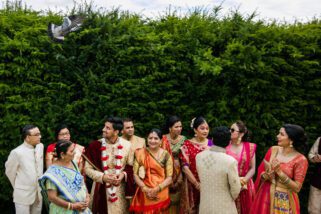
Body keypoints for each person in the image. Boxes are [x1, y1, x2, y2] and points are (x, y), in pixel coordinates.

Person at [251, 124, 309, 214]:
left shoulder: (301, 160)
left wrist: (280, 172)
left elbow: (297, 188)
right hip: (265, 196)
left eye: (281, 134)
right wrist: (266, 175)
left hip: (284, 201)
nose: (277, 136)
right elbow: (261, 172)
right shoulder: (273, 150)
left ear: (291, 140)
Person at [84, 116, 132, 214]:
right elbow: (87, 169)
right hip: (100, 187)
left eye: (107, 128)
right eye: (104, 127)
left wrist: (123, 175)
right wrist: (103, 177)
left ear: (116, 132)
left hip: (120, 191)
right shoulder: (95, 146)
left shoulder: (127, 145)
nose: (103, 129)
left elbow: (130, 167)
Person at [196, 126, 241, 214]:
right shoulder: (230, 161)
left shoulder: (199, 157)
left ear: (212, 139)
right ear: (229, 142)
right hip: (224, 207)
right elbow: (235, 189)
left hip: (205, 206)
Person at [39, 140, 91, 213]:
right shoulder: (52, 174)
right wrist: (72, 206)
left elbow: (80, 181)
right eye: (71, 151)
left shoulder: (73, 163)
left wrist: (87, 197)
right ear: (62, 154)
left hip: (82, 209)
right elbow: (52, 197)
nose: (75, 153)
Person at [129, 128, 173, 213]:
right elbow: (135, 174)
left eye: (156, 138)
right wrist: (146, 189)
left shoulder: (166, 155)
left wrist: (156, 189)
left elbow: (169, 178)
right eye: (150, 138)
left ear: (161, 141)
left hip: (161, 191)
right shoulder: (140, 153)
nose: (152, 141)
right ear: (147, 139)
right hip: (145, 191)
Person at [5, 124, 44, 214]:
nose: (40, 136)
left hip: (38, 194)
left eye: (40, 134)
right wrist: (19, 188)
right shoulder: (16, 152)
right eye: (37, 135)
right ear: (27, 137)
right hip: (22, 195)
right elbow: (9, 172)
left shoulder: (40, 146)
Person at [179, 116, 211, 213]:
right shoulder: (187, 144)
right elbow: (185, 167)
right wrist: (197, 185)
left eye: (207, 128)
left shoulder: (211, 144)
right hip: (191, 184)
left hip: (208, 184)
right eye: (202, 128)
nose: (205, 131)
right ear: (195, 130)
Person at [225, 121, 256, 214]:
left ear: (241, 134)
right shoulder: (225, 145)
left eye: (233, 130)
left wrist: (242, 182)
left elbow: (253, 168)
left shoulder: (250, 147)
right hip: (228, 184)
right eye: (229, 129)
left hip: (245, 185)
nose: (230, 131)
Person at [162, 115, 186, 213]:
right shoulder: (163, 139)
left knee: (178, 196)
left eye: (180, 126)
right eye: (176, 127)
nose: (179, 129)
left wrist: (181, 175)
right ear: (170, 128)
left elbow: (184, 158)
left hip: (180, 170)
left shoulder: (183, 139)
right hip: (164, 171)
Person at [121, 118, 146, 199]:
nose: (131, 129)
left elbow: (145, 160)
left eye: (132, 127)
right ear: (122, 130)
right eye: (127, 128)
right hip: (122, 176)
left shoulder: (141, 141)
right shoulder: (118, 141)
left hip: (139, 176)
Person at [308, 136, 321, 214]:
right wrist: (315, 158)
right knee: (313, 210)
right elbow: (310, 155)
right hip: (317, 180)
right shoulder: (320, 139)